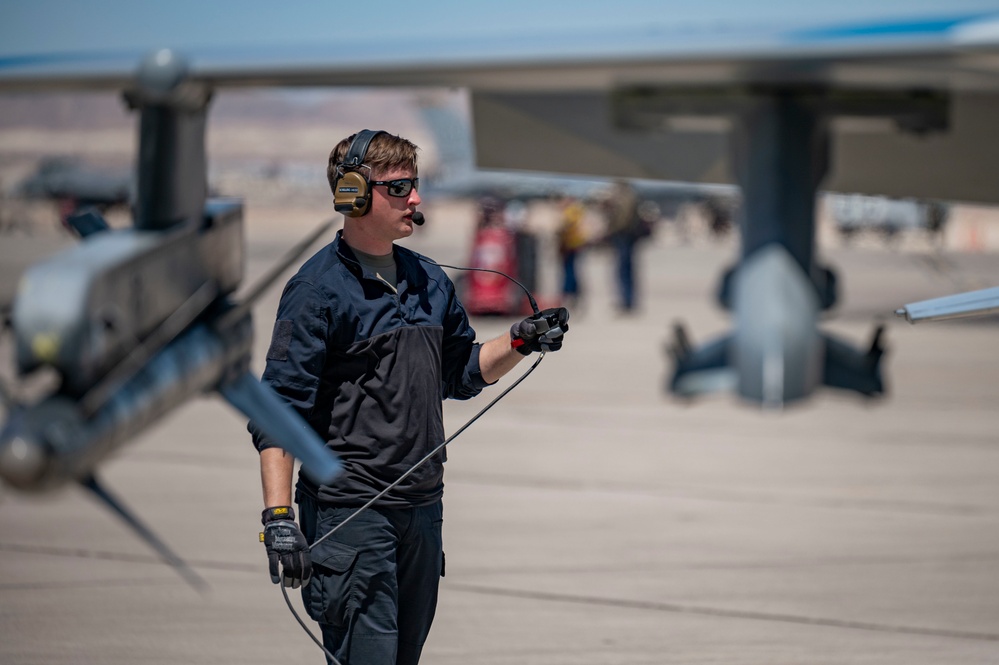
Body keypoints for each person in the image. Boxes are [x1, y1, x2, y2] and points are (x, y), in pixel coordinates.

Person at [249, 129, 569, 665]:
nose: (415, 199)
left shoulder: (429, 281)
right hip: (351, 515)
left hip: (422, 510)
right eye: (399, 188)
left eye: (415, 185)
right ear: (353, 194)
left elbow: (461, 372)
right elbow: (280, 408)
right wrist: (278, 518)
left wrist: (520, 340)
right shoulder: (317, 290)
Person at [601, 180, 647, 313]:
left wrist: (613, 231)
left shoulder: (625, 196)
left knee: (623, 269)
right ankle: (628, 301)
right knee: (627, 269)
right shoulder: (631, 195)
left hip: (624, 235)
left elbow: (623, 219)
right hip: (627, 236)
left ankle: (626, 301)